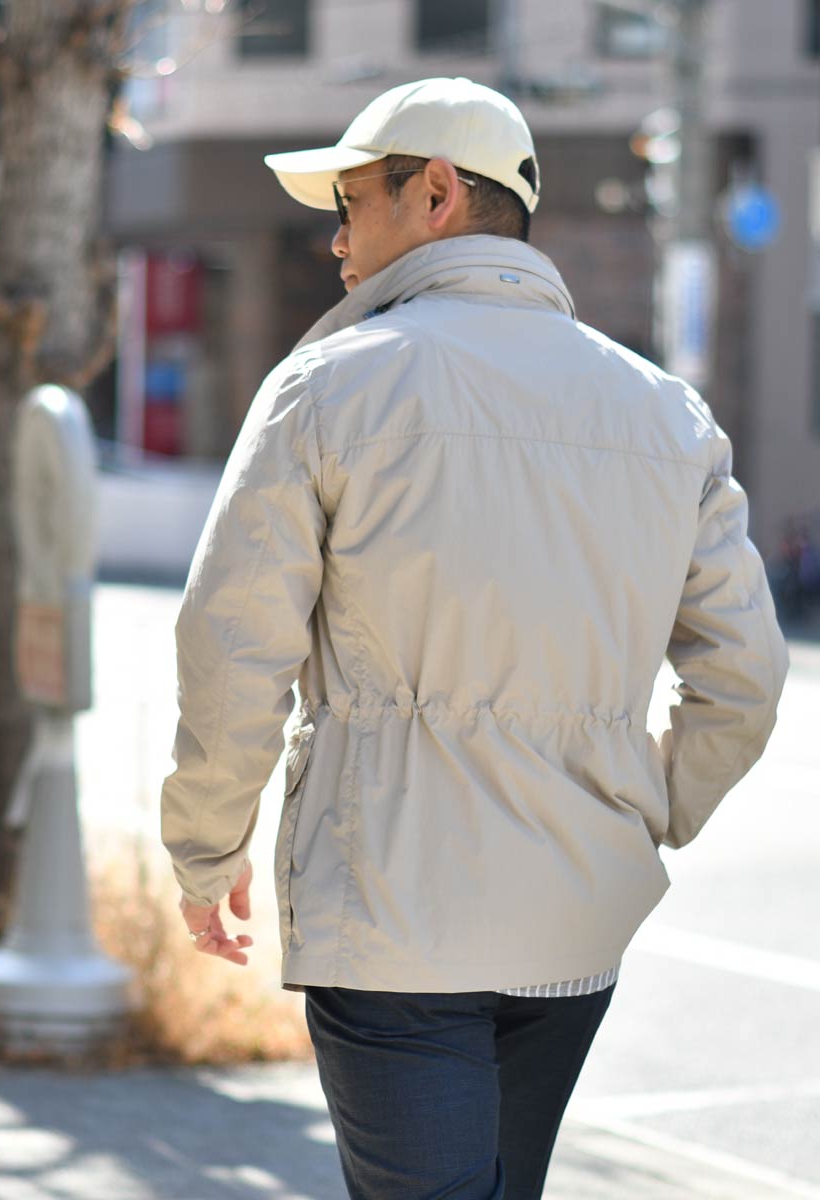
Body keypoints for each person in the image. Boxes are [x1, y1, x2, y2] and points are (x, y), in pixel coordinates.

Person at [160, 76, 789, 1199]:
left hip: (393, 913)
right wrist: (649, 804)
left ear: (437, 193)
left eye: (350, 204)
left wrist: (206, 849)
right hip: (575, 922)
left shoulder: (328, 389)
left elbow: (233, 646)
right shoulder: (666, 413)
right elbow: (744, 676)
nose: (336, 241)